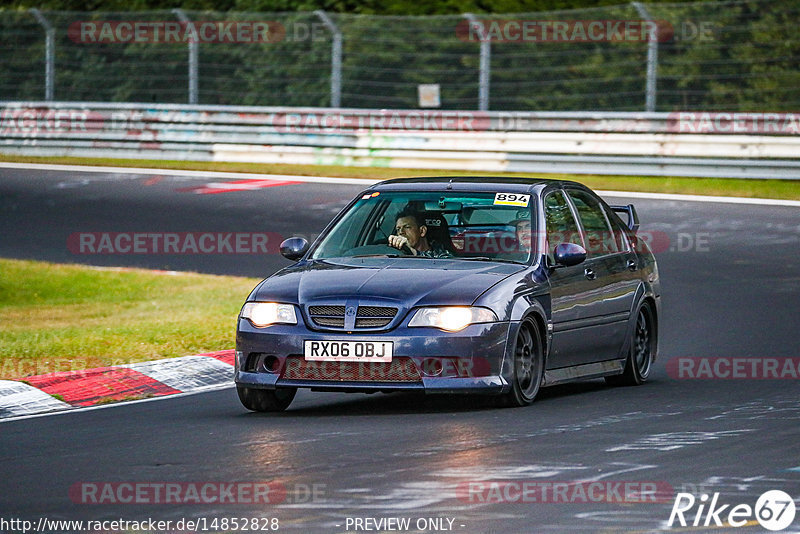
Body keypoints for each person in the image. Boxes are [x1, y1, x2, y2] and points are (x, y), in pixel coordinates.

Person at [388, 209, 452, 258]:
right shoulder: (394, 254)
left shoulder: (440, 252)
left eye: (407, 227)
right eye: (398, 229)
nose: (401, 232)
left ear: (422, 231)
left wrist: (412, 251)